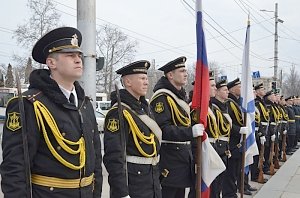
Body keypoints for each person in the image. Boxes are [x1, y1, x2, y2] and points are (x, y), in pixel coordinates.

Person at [0, 27, 103, 197]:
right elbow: (14, 168)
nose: (78, 60)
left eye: (79, 56)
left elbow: (96, 161)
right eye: (70, 55)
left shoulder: (85, 104)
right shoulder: (30, 104)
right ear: (51, 63)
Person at [103, 60, 162, 198]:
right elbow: (113, 157)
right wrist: (122, 193)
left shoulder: (145, 109)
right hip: (133, 185)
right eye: (142, 78)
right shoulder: (118, 113)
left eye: (146, 78)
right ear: (128, 82)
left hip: (151, 180)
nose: (146, 82)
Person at [150, 56, 204, 198]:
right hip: (170, 159)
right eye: (181, 71)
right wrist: (190, 132)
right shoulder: (162, 97)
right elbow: (163, 130)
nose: (186, 74)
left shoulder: (179, 96)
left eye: (185, 70)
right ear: (170, 75)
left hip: (183, 157)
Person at [222, 78, 250, 197]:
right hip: (232, 141)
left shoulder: (237, 103)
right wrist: (239, 130)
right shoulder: (229, 103)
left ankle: (233, 192)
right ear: (232, 89)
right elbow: (228, 122)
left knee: (236, 170)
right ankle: (229, 194)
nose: (241, 89)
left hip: (238, 141)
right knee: (231, 171)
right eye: (239, 87)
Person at [251, 83, 268, 183]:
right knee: (254, 156)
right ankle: (254, 175)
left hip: (259, 132)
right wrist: (261, 133)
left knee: (258, 155)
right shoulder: (256, 103)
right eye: (261, 89)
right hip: (255, 132)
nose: (264, 90)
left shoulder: (260, 103)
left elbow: (263, 118)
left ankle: (257, 174)